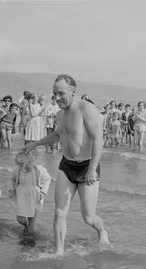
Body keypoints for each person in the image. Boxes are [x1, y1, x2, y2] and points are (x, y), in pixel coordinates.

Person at [22, 74, 110, 255]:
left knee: (88, 217)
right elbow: (57, 135)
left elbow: (98, 138)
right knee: (59, 212)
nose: (57, 98)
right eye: (54, 94)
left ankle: (102, 231)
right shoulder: (60, 114)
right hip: (66, 166)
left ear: (73, 91)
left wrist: (93, 169)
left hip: (87, 167)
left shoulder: (86, 108)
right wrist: (36, 143)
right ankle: (59, 252)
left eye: (61, 93)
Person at [9, 151, 51, 234]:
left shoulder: (38, 169)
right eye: (19, 164)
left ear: (30, 162)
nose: (20, 167)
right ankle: (26, 226)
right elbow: (12, 179)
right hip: (21, 196)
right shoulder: (17, 170)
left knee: (31, 218)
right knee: (20, 218)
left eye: (22, 164)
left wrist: (43, 192)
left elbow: (47, 179)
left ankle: (31, 237)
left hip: (34, 196)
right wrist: (11, 189)